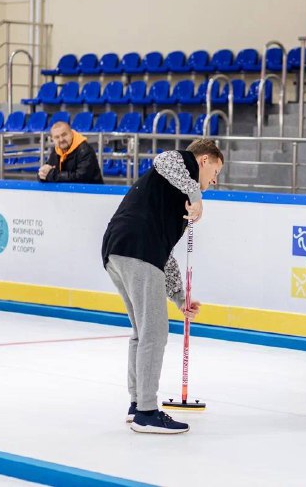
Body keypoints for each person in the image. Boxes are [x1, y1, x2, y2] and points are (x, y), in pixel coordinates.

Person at [101, 138, 223, 434]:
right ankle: (146, 411)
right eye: (215, 172)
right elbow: (164, 159)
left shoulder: (173, 190)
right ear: (203, 160)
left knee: (142, 333)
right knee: (154, 333)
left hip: (120, 250)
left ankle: (136, 405)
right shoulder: (180, 162)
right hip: (136, 249)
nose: (215, 180)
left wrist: (180, 297)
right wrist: (197, 196)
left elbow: (163, 254)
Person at [38, 121, 103, 183]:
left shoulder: (85, 150)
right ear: (53, 139)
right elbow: (48, 173)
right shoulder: (57, 150)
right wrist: (42, 174)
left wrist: (52, 175)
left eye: (64, 135)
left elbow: (81, 178)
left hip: (91, 192)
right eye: (57, 137)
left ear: (72, 133)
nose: (61, 139)